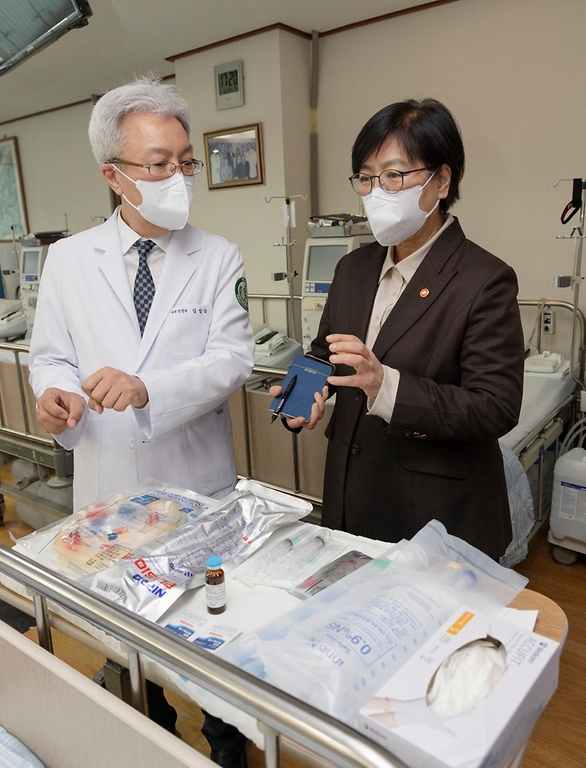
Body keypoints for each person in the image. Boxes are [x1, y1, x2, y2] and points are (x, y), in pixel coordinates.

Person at [29, 75, 253, 768]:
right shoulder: (68, 261)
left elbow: (233, 360)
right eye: (159, 164)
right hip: (109, 489)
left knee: (214, 641)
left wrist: (147, 386)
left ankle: (227, 746)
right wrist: (56, 395)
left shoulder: (217, 256)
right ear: (114, 174)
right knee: (126, 637)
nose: (178, 176)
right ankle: (146, 735)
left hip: (199, 489)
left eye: (184, 162)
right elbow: (51, 355)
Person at [273, 98, 524, 562]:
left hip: (435, 511)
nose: (376, 191)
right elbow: (323, 351)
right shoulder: (353, 267)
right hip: (351, 494)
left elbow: (495, 408)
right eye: (367, 178)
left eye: (394, 175)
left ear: (441, 180)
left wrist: (384, 384)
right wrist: (299, 396)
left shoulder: (484, 279)